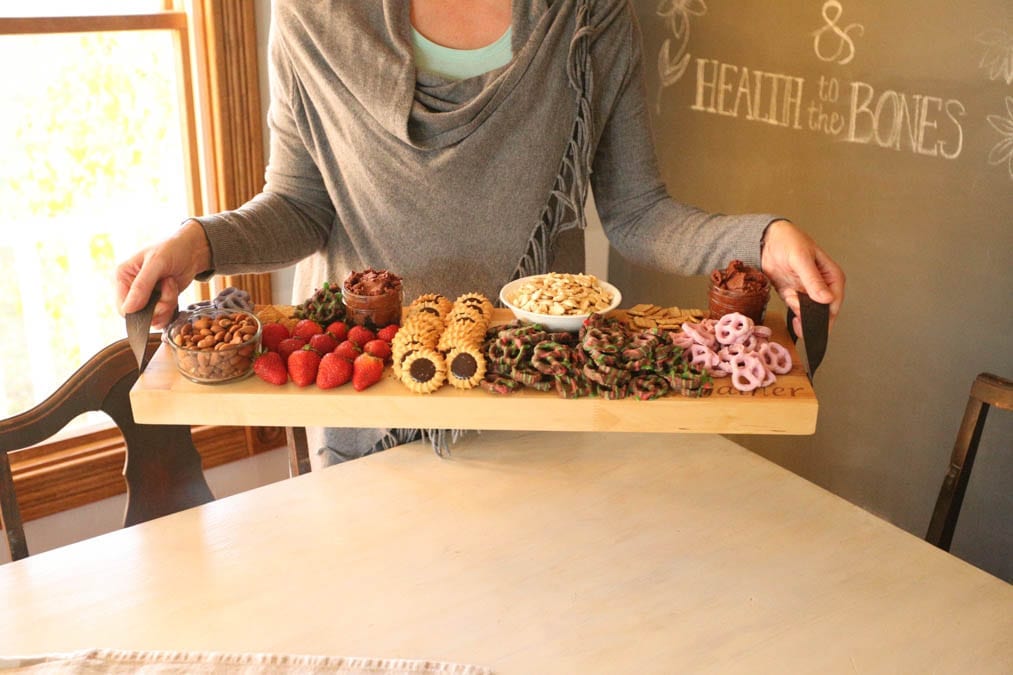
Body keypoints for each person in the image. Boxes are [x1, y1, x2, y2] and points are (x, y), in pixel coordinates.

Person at [117, 0, 845, 463]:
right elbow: (300, 207)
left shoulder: (586, 17)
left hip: (539, 391)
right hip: (373, 397)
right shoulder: (315, 17)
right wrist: (198, 243)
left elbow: (636, 210)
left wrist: (761, 237)